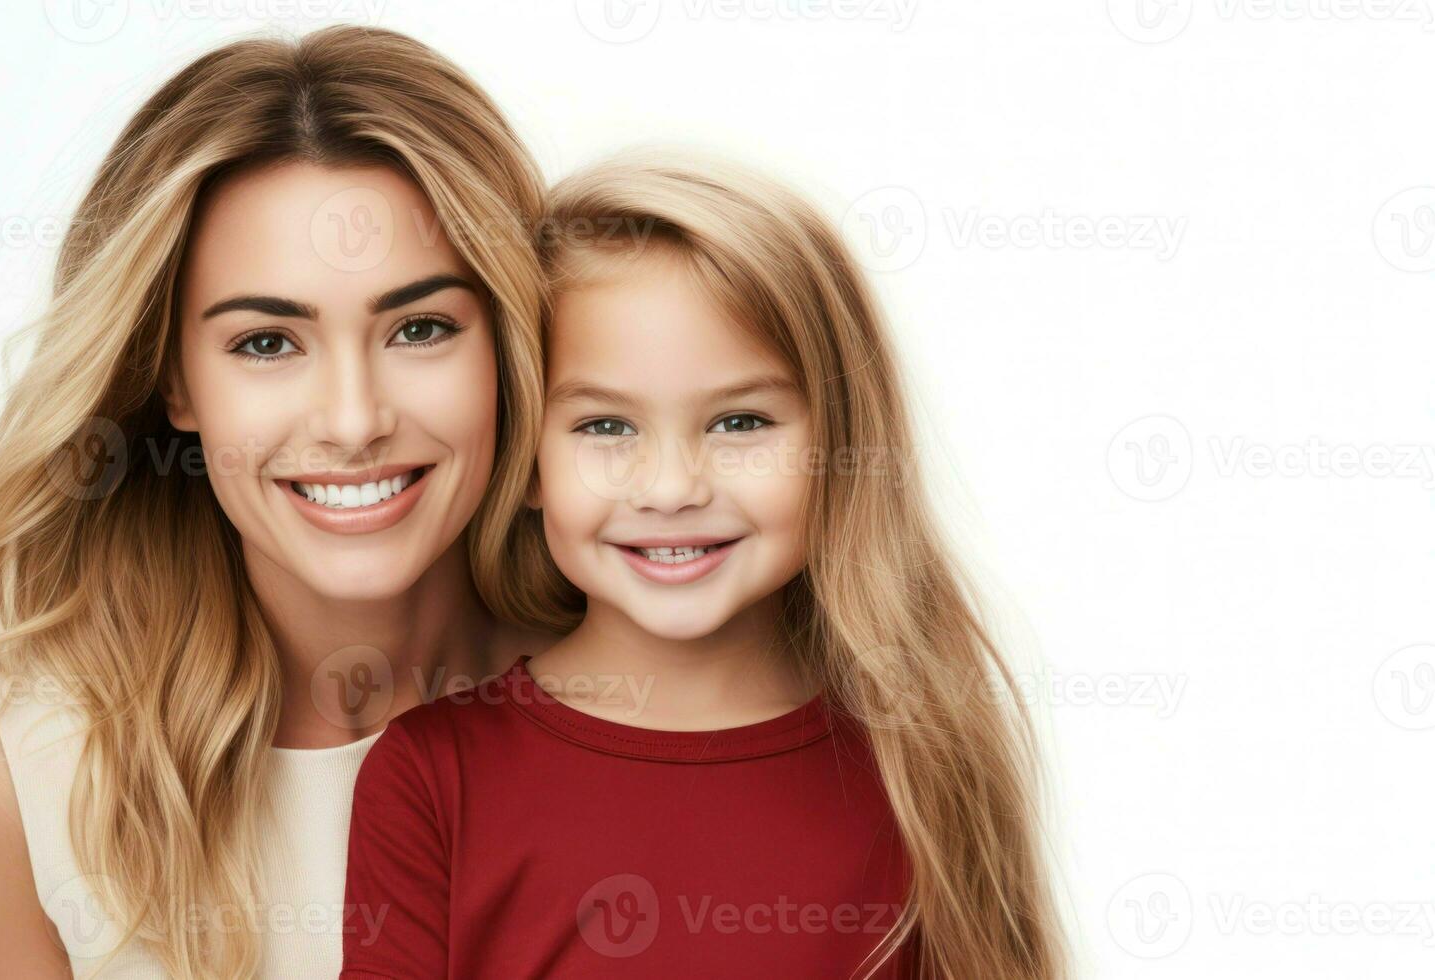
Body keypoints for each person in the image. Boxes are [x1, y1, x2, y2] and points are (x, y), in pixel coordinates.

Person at [0, 26, 556, 978]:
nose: (354, 419)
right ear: (176, 382)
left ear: (507, 349)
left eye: (419, 327)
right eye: (265, 343)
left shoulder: (668, 698)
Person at [342, 153, 1067, 978]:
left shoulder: (920, 763)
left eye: (739, 422)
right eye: (605, 428)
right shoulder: (432, 777)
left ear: (838, 444)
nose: (672, 488)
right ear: (528, 456)